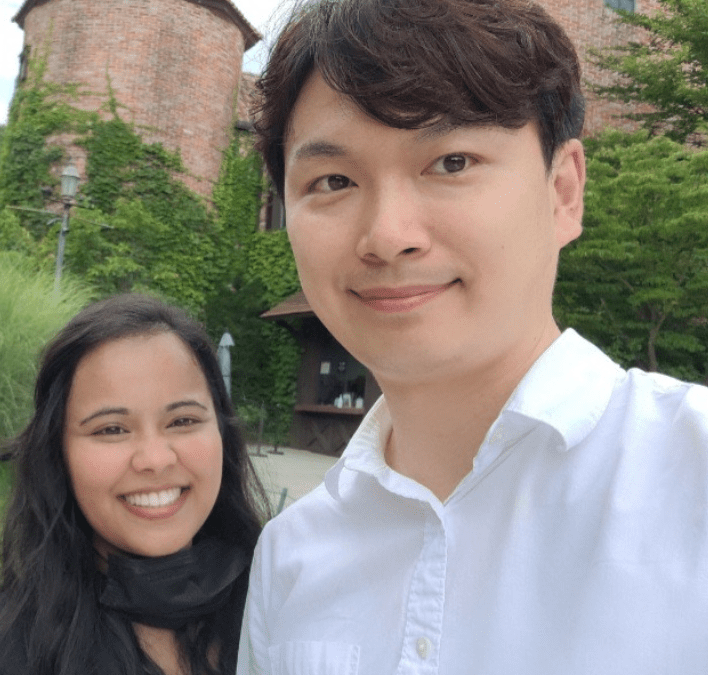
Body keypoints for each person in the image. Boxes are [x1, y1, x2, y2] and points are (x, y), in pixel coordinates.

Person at [239, 0, 708, 673]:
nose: (388, 236)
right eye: (333, 181)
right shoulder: (291, 557)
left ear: (563, 192)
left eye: (452, 162)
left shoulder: (692, 475)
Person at [0, 294, 268, 675]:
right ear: (58, 453)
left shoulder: (282, 606)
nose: (155, 459)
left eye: (183, 421)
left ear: (222, 433)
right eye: (111, 429)